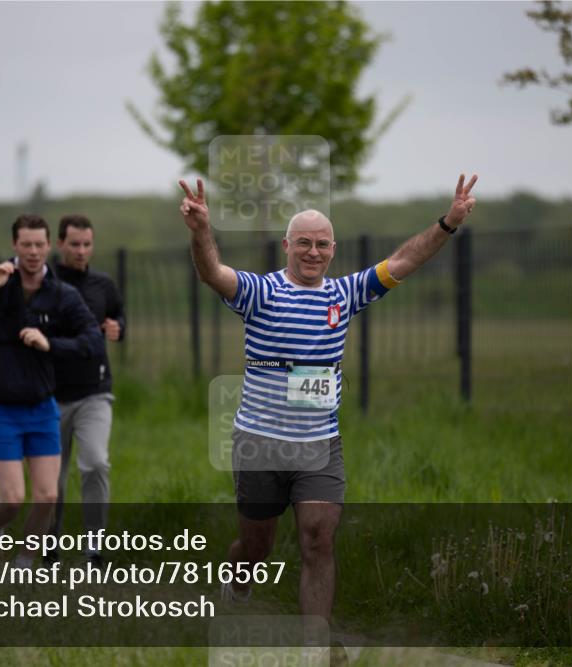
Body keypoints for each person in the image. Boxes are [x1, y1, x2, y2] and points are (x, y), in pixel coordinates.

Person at [178, 174, 478, 623]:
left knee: (319, 539)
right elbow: (212, 273)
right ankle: (238, 583)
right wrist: (202, 230)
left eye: (321, 244)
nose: (313, 252)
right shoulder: (262, 293)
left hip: (320, 445)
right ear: (286, 246)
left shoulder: (346, 293)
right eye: (303, 243)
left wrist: (449, 222)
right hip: (259, 443)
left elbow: (404, 260)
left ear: (333, 250)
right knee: (256, 548)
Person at [0, 214, 104, 566]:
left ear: (49, 246)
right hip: (0, 405)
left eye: (39, 245)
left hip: (42, 406)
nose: (33, 252)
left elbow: (92, 340)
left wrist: (50, 344)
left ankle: (26, 561)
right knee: (14, 498)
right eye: (26, 245)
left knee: (47, 496)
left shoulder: (63, 295)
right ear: (14, 246)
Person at [47, 214, 125, 566]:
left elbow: (120, 316)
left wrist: (117, 328)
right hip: (48, 394)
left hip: (95, 391)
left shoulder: (103, 285)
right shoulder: (43, 282)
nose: (81, 251)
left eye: (87, 244)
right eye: (74, 244)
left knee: (95, 462)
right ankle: (49, 545)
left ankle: (94, 550)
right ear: (60, 243)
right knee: (54, 479)